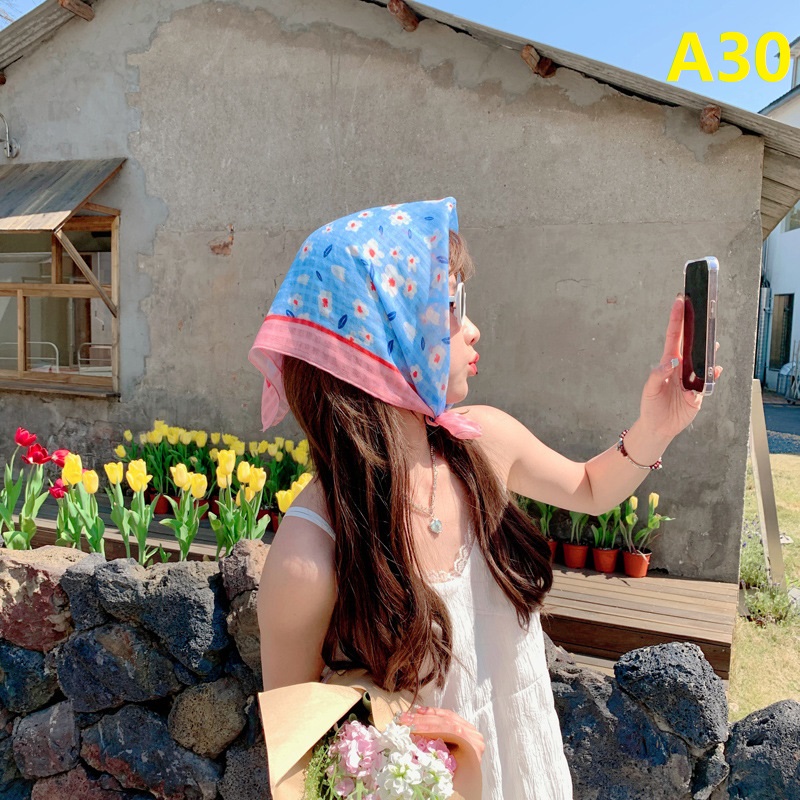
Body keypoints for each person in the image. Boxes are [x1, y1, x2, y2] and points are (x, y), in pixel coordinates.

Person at [250, 197, 722, 799]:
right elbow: (300, 767)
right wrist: (427, 755)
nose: (472, 329)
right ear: (381, 337)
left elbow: (590, 488)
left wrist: (657, 426)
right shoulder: (310, 556)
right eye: (450, 306)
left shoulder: (482, 443)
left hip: (529, 771)